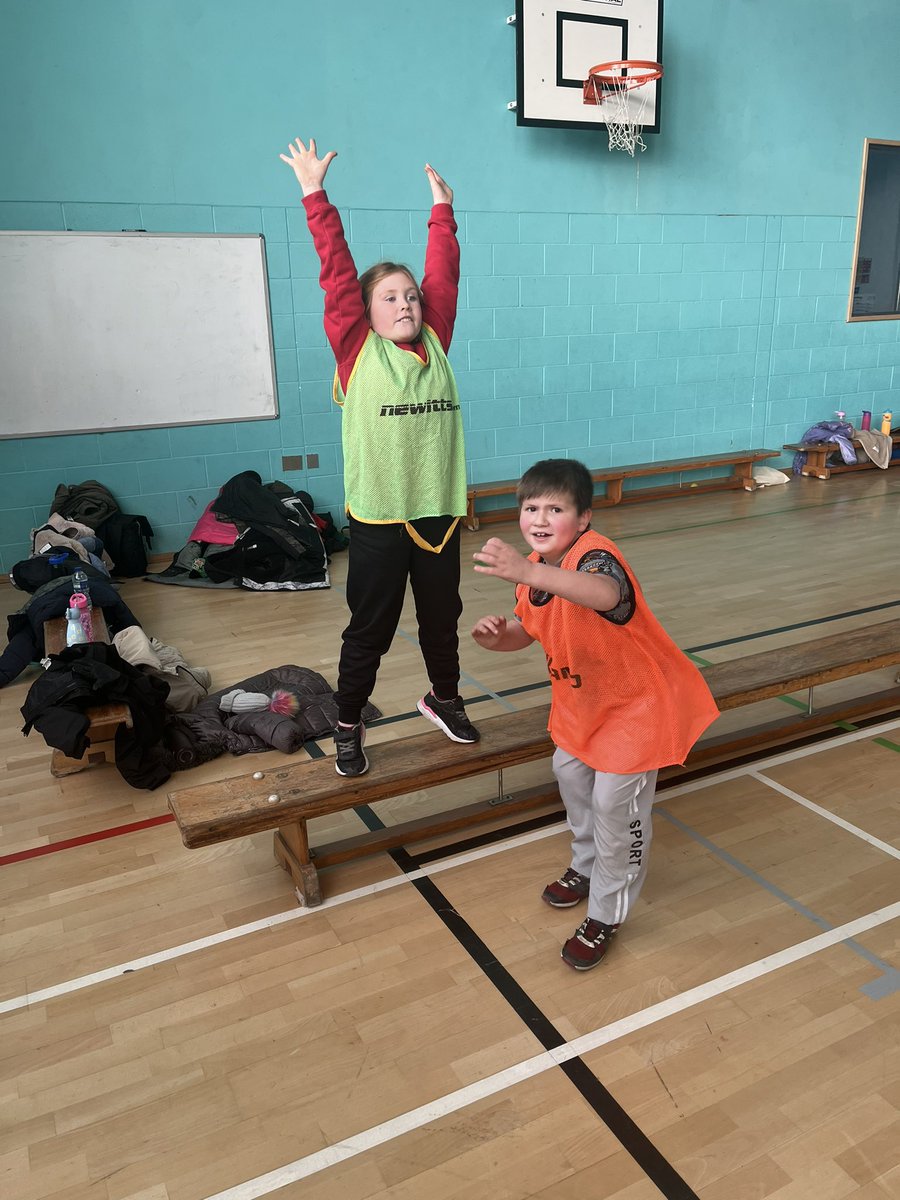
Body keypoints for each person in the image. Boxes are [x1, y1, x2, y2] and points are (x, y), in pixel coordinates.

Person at [471, 459, 719, 970]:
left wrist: (527, 568)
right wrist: (499, 640)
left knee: (615, 805)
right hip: (584, 705)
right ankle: (586, 865)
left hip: (638, 706)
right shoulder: (535, 575)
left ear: (583, 519)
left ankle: (607, 912)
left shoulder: (596, 558)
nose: (540, 518)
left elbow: (604, 595)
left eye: (556, 509)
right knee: (569, 774)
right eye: (531, 507)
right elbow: (528, 630)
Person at [280, 136, 477, 777]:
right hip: (378, 519)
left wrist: (442, 210)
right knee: (369, 633)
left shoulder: (437, 340)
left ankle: (444, 700)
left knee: (441, 623)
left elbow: (443, 273)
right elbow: (336, 268)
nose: (406, 304)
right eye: (390, 297)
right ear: (364, 313)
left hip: (438, 514)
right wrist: (315, 193)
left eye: (411, 296)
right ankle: (347, 728)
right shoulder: (356, 351)